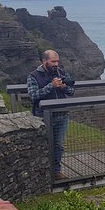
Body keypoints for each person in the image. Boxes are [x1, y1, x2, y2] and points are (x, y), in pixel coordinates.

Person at [27, 49, 75, 180]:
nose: (56, 64)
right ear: (44, 61)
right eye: (53, 61)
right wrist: (50, 86)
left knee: (58, 145)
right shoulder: (33, 75)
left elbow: (71, 91)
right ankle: (42, 173)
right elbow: (33, 96)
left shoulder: (62, 72)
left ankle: (56, 171)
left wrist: (63, 87)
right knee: (44, 145)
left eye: (57, 61)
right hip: (43, 116)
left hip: (61, 114)